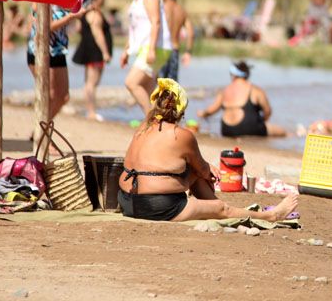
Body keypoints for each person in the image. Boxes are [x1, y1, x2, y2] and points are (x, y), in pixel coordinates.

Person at [119, 79, 299, 222]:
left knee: (195, 172)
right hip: (159, 206)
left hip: (126, 200)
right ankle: (272, 215)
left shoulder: (142, 127)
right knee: (221, 208)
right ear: (180, 111)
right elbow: (203, 170)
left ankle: (215, 204)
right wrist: (206, 169)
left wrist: (202, 170)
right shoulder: (180, 135)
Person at [26, 0, 88, 122]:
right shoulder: (42, 0)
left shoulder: (61, 1)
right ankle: (42, 132)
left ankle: (41, 130)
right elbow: (45, 26)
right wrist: (71, 17)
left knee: (63, 96)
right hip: (42, 52)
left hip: (58, 51)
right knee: (50, 94)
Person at [120, 0, 173, 116]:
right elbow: (134, 28)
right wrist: (126, 51)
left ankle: (151, 120)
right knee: (151, 92)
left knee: (131, 82)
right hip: (144, 48)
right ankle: (163, 123)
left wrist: (151, 49)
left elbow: (155, 21)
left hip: (155, 47)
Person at [197, 61, 288, 137]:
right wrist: (262, 121)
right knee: (282, 131)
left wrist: (202, 113)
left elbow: (210, 111)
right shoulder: (255, 90)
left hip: (227, 130)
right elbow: (268, 111)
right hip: (250, 128)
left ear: (233, 75)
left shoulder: (224, 91)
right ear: (247, 75)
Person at [71, 0, 113, 121]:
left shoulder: (89, 11)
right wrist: (105, 52)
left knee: (91, 83)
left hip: (90, 50)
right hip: (95, 51)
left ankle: (90, 111)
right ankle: (91, 112)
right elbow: (97, 33)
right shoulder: (93, 13)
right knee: (91, 83)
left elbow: (78, 29)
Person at [159, 0, 194, 81]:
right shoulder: (182, 10)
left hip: (162, 49)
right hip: (174, 50)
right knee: (172, 84)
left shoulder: (162, 8)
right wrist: (188, 52)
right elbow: (191, 33)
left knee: (159, 82)